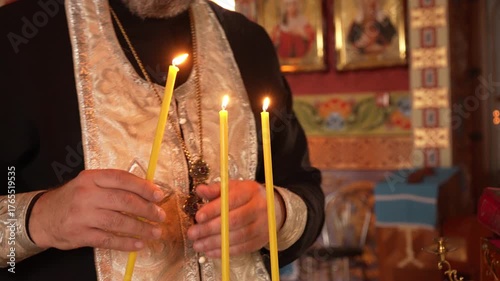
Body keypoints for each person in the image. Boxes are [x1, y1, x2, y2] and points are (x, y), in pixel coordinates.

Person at [0, 0, 324, 280]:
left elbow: (304, 190)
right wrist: (39, 218)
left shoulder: (247, 42)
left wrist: (276, 213)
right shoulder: (18, 37)